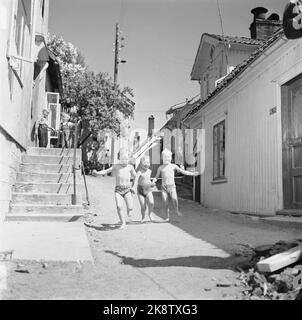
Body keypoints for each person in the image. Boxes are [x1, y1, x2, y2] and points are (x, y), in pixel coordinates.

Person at [92, 149, 137, 229]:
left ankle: (129, 210)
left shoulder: (130, 167)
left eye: (127, 159)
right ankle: (123, 222)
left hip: (127, 189)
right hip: (118, 190)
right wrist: (98, 172)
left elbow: (136, 176)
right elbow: (106, 171)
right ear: (119, 159)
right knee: (119, 206)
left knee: (130, 207)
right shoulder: (116, 166)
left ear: (129, 159)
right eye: (123, 159)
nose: (125, 161)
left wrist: (134, 186)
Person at [153, 148, 200, 221]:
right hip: (164, 187)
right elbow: (156, 177)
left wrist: (193, 174)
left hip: (172, 187)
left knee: (175, 200)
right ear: (162, 158)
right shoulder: (160, 168)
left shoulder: (173, 166)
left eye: (168, 157)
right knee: (165, 203)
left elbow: (183, 172)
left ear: (171, 158)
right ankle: (167, 216)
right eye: (165, 157)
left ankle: (176, 210)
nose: (167, 158)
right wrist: (153, 181)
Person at [133, 155, 155, 223]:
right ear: (141, 164)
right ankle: (143, 217)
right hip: (140, 190)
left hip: (148, 190)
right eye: (144, 163)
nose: (146, 164)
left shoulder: (150, 171)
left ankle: (150, 213)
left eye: (148, 163)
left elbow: (148, 180)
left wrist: (152, 183)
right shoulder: (139, 172)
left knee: (151, 203)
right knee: (143, 206)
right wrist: (133, 187)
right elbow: (136, 180)